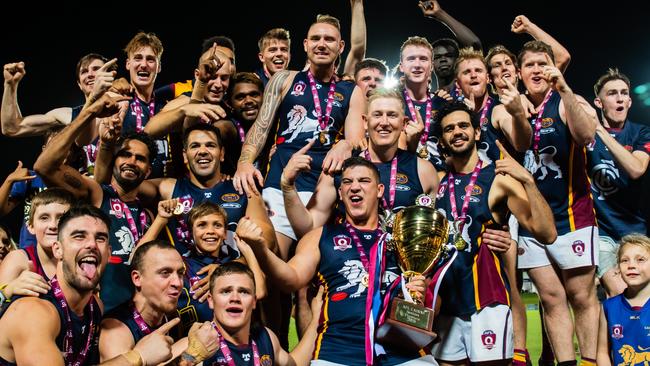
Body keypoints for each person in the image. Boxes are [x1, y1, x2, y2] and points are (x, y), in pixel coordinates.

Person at [251, 157, 432, 365]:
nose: (354, 187)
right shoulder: (320, 236)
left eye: (364, 181)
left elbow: (434, 300)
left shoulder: (403, 239)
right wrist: (260, 249)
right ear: (340, 193)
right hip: (338, 351)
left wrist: (422, 290)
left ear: (380, 190)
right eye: (347, 182)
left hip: (401, 352)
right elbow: (289, 279)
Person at [430, 101, 556, 365]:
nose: (457, 132)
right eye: (449, 129)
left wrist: (528, 182)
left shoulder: (498, 178)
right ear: (442, 139)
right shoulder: (438, 181)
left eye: (463, 125)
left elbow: (546, 233)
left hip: (487, 299)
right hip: (447, 303)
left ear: (477, 132)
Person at [234, 14, 366, 260]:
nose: (322, 44)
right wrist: (244, 161)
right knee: (272, 259)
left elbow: (357, 139)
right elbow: (261, 127)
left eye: (329, 39)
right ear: (305, 45)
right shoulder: (284, 79)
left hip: (322, 189)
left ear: (341, 47)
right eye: (315, 38)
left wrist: (346, 144)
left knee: (309, 270)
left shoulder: (352, 90)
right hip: (280, 180)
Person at [0, 204, 180, 365]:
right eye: (79, 236)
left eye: (100, 238)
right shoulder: (32, 311)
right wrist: (138, 356)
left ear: (109, 254)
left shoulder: (95, 308)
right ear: (58, 249)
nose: (92, 244)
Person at [515, 40, 600, 366]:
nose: (536, 70)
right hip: (533, 220)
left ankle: (590, 361)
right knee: (550, 298)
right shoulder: (515, 105)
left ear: (551, 68)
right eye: (530, 65)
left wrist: (564, 89)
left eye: (542, 64)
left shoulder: (565, 102)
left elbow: (585, 136)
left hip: (572, 217)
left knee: (581, 296)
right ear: (520, 73)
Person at [33, 91, 157, 312]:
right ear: (114, 160)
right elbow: (44, 167)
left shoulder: (148, 213)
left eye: (140, 159)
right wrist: (87, 113)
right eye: (125, 155)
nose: (131, 161)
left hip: (138, 318)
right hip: (98, 314)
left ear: (148, 171)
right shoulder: (97, 194)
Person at [281, 88, 437, 238]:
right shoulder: (339, 165)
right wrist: (288, 187)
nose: (384, 122)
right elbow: (309, 227)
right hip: (353, 257)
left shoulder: (424, 171)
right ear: (365, 122)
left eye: (392, 115)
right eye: (377, 115)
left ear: (404, 123)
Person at [172, 261, 322, 366]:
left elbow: (295, 363)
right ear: (211, 300)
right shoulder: (193, 344)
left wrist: (317, 319)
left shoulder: (266, 337)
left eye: (243, 292)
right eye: (226, 291)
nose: (235, 298)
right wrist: (189, 358)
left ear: (254, 301)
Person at [589, 69, 650, 297]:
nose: (620, 98)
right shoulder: (586, 136)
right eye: (612, 93)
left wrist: (601, 132)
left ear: (630, 101)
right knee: (619, 292)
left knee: (642, 298)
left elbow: (636, 169)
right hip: (602, 232)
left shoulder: (641, 132)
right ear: (599, 102)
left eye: (624, 93)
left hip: (636, 232)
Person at [99, 240, 185, 361]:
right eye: (165, 273)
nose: (177, 283)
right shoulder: (115, 331)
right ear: (137, 278)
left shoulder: (172, 318)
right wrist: (185, 353)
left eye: (180, 273)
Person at [1, 54, 116, 137]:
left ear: (110, 75)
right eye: (84, 72)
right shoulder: (67, 115)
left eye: (96, 69)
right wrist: (10, 84)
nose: (90, 74)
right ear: (79, 84)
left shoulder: (128, 104)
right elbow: (12, 128)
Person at [0, 189, 74, 306]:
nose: (53, 225)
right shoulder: (18, 259)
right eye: (44, 218)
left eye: (61, 218)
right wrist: (8, 291)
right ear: (31, 226)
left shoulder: (78, 262)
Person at [596, 234, 650, 366]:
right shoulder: (608, 307)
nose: (631, 265)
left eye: (640, 259)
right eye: (624, 260)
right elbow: (602, 352)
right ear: (618, 268)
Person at [397, 36, 448, 171]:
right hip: (402, 175)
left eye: (423, 59)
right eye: (411, 59)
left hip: (440, 178)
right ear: (402, 66)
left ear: (431, 66)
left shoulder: (445, 105)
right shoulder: (391, 103)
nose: (417, 64)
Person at [417, 0, 481, 90]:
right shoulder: (429, 101)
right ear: (431, 65)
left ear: (457, 61)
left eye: (449, 56)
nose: (443, 60)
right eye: (437, 57)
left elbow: (474, 44)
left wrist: (439, 13)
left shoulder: (470, 91)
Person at [223, 72, 265, 176]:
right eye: (240, 97)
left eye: (254, 94)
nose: (248, 101)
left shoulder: (277, 124)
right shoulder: (228, 128)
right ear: (229, 104)